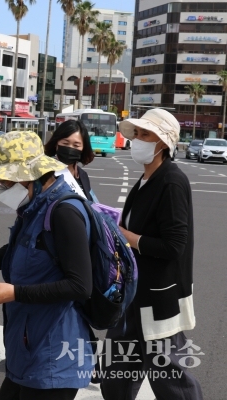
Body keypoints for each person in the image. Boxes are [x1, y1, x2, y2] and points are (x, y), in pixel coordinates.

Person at [0, 131, 94, 400]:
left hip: (53, 353)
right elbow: (27, 244)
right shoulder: (37, 205)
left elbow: (80, 285)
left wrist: (16, 293)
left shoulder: (64, 212)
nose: (3, 187)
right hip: (29, 344)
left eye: (5, 182)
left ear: (25, 175)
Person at [100, 109, 203, 399]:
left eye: (146, 134)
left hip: (158, 296)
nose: (137, 140)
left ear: (163, 142)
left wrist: (126, 236)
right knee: (117, 367)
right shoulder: (147, 178)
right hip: (134, 292)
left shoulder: (171, 181)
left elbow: (174, 246)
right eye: (137, 134)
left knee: (169, 375)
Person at [44, 119, 97, 201]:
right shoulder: (44, 173)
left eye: (76, 145)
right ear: (56, 143)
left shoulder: (83, 176)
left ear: (83, 148)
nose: (70, 148)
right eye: (65, 143)